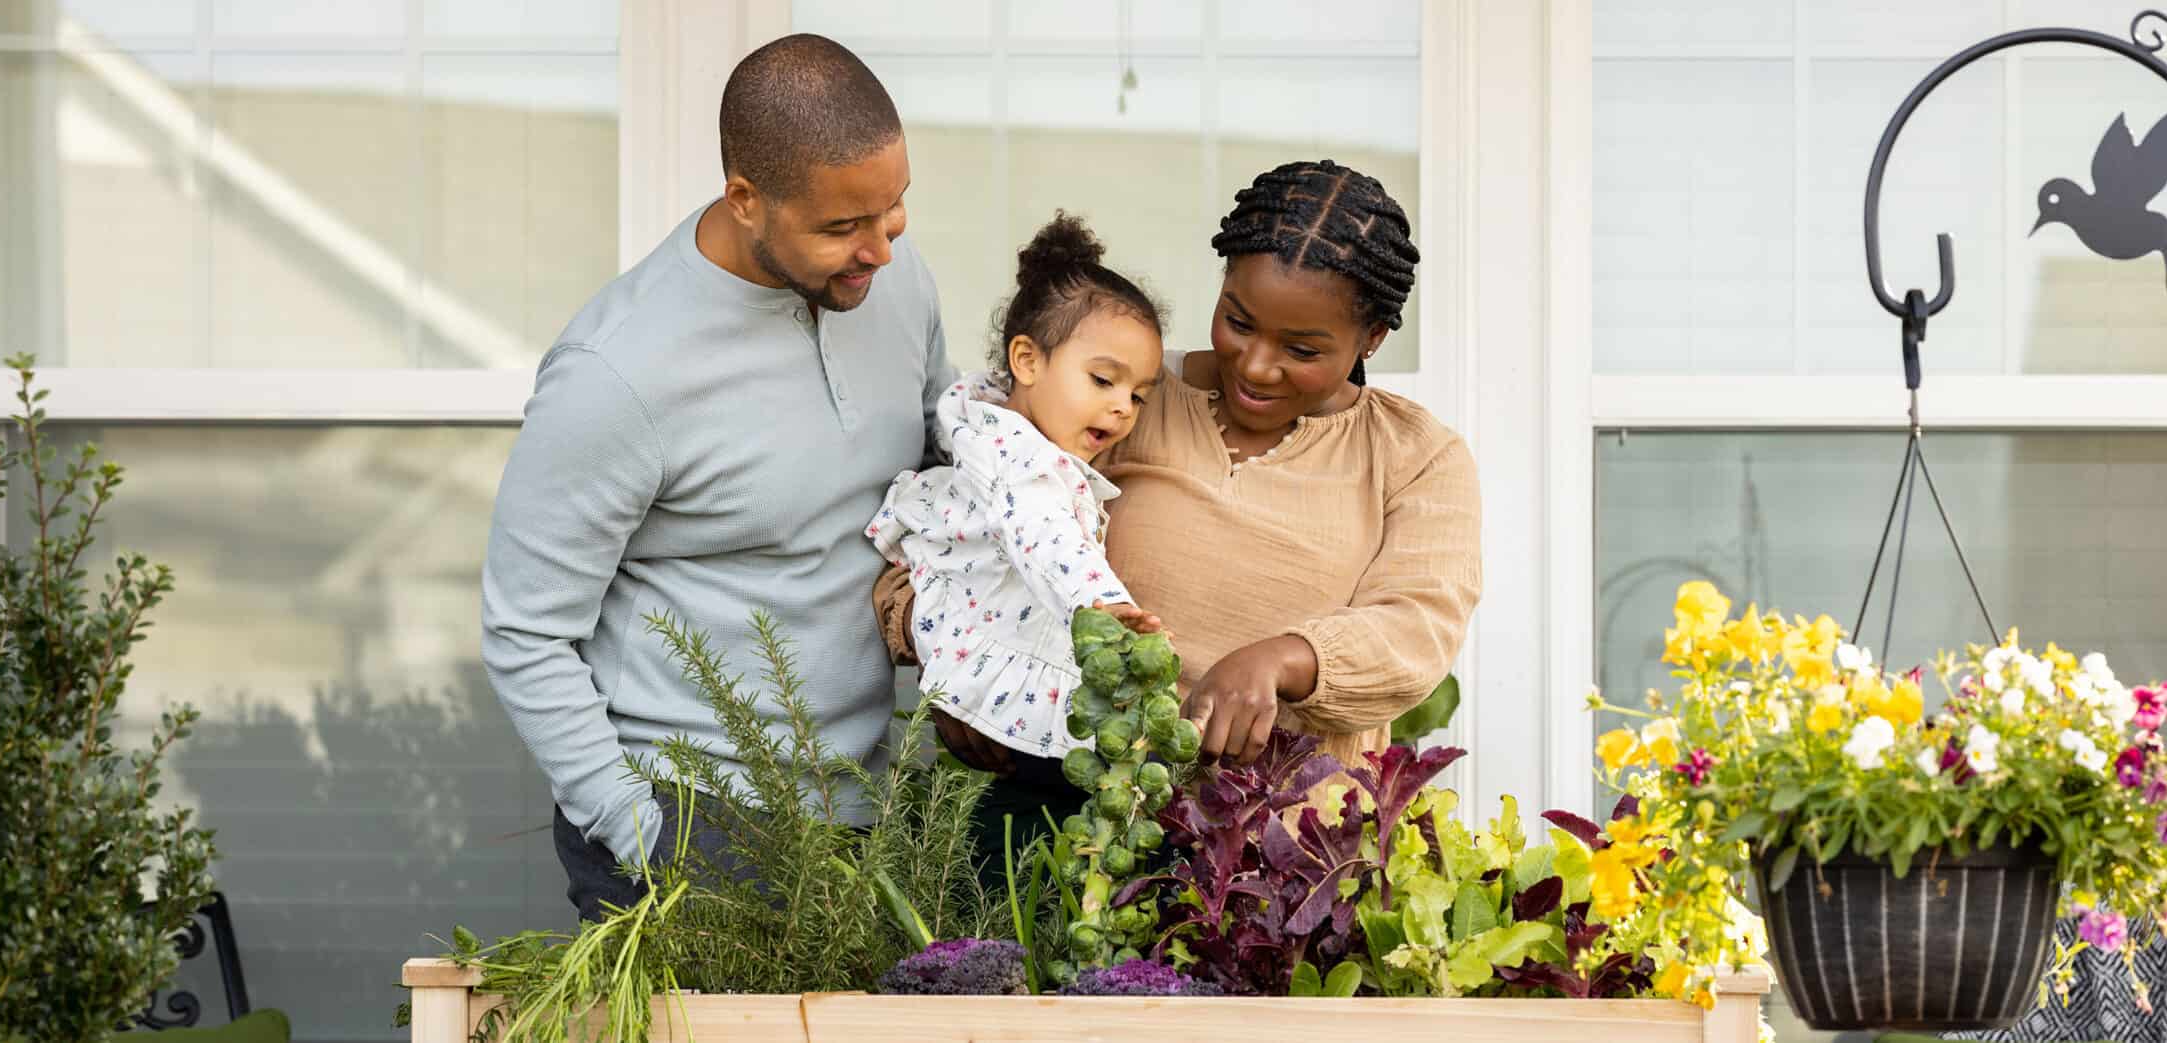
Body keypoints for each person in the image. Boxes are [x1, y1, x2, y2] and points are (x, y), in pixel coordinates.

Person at [482, 33, 954, 923]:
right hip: (688, 816)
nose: (879, 251)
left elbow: (940, 472)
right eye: (842, 226)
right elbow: (525, 633)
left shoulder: (896, 281)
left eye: (892, 209)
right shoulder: (616, 370)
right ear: (746, 199)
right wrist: (640, 835)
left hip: (864, 802)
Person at [879, 159, 1481, 777]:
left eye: (1302, 350)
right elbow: (956, 523)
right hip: (1081, 819)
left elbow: (1416, 629)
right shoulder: (1122, 397)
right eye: (1239, 322)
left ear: (1373, 336)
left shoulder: (1415, 457)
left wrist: (1280, 661)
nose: (1254, 366)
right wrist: (952, 661)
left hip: (1283, 842)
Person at [865, 213, 1169, 860]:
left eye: (1139, 395)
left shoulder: (1006, 432)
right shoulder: (1020, 462)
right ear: (1026, 360)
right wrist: (1100, 606)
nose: (1122, 408)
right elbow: (1045, 536)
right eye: (1103, 380)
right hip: (982, 633)